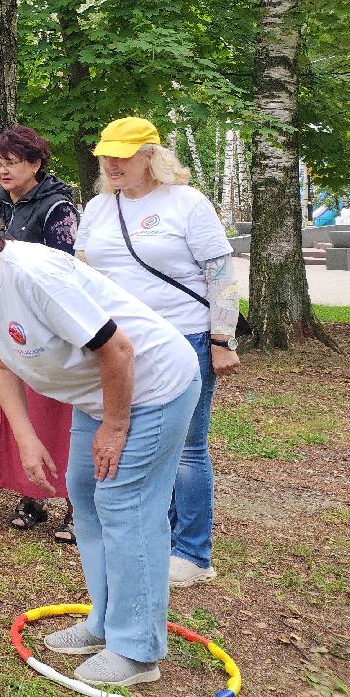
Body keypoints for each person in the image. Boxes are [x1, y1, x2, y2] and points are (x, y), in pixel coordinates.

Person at [0, 189, 199, 688]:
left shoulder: (35, 275)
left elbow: (119, 350)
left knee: (125, 505)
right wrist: (26, 438)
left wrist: (116, 426)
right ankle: (104, 621)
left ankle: (137, 650)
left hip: (153, 386)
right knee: (85, 497)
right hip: (96, 394)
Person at [74, 116, 240, 588]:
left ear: (151, 157)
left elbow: (221, 275)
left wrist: (222, 339)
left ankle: (193, 552)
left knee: (186, 446)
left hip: (184, 337)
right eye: (107, 156)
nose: (112, 164)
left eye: (123, 155)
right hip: (119, 345)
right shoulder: (98, 208)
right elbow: (81, 272)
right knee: (138, 440)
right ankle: (155, 538)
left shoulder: (187, 203)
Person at [0, 126, 79, 544]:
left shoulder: (58, 207)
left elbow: (62, 273)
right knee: (21, 410)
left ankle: (75, 504)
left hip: (45, 327)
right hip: (3, 323)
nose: (3, 171)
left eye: (12, 163)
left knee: (56, 415)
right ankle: (32, 495)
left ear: (35, 164)